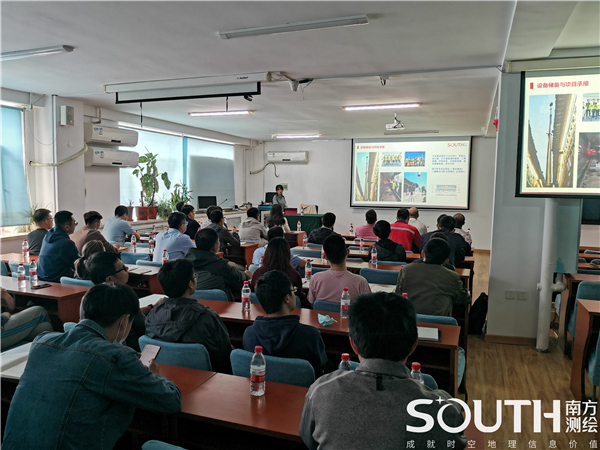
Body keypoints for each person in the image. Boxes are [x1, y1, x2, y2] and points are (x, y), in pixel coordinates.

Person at [2, 283, 182, 450]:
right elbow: (170, 401)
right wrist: (154, 375)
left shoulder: (42, 342)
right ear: (124, 322)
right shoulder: (115, 356)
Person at [299, 291, 467, 450]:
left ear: (353, 344)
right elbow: (457, 444)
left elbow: (309, 440)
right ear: (414, 345)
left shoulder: (320, 391)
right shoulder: (443, 411)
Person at [145, 259, 233, 373]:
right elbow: (225, 354)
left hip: (164, 374)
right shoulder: (206, 316)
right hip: (206, 378)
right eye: (194, 276)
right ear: (190, 284)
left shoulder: (152, 315)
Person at [244, 270, 327, 375]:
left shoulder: (249, 334)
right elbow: (321, 369)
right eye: (293, 290)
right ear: (287, 298)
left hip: (264, 384)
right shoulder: (310, 335)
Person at [87, 252, 161, 351]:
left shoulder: (90, 299)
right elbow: (145, 326)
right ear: (110, 279)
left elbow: (134, 315)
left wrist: (151, 307)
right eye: (123, 268)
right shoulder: (124, 297)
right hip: (135, 350)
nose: (127, 269)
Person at [395, 238, 471, 316]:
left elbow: (397, 294)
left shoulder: (406, 270)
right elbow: (465, 299)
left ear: (423, 253)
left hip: (409, 319)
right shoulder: (452, 276)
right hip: (439, 322)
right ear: (446, 261)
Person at [185, 228, 252, 302]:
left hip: (191, 306)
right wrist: (247, 275)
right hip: (220, 306)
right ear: (215, 247)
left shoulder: (185, 263)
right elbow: (237, 278)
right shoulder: (221, 266)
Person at [307, 234, 370, 305]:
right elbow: (367, 307)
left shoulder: (315, 279)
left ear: (325, 257)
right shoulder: (361, 282)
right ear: (347, 252)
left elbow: (311, 304)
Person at [250, 237, 308, 308]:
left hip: (260, 311)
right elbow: (300, 299)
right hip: (288, 312)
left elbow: (252, 295)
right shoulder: (294, 275)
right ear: (288, 254)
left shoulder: (258, 273)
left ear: (267, 253)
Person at [37, 210, 80, 282]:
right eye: (74, 223)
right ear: (67, 227)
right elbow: (78, 265)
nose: (75, 226)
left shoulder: (47, 236)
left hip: (41, 279)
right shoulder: (67, 243)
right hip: (56, 282)